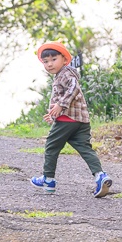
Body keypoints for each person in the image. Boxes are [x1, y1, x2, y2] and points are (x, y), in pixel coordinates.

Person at [29, 41, 112, 197]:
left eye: (54, 59)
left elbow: (73, 88)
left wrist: (61, 105)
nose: (49, 64)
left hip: (67, 119)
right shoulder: (62, 75)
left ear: (64, 60)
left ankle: (48, 179)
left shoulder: (66, 73)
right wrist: (53, 112)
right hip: (81, 120)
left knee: (51, 146)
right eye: (46, 62)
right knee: (84, 148)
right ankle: (100, 175)